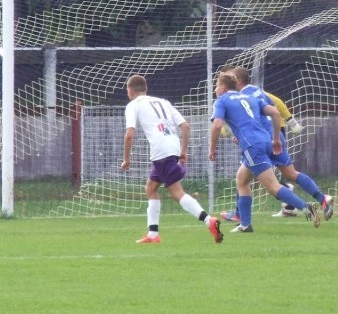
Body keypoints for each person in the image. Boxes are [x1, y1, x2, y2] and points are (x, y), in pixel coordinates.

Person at [209, 73, 320, 232]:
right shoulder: (248, 97)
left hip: (252, 146)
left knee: (273, 187)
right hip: (266, 140)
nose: (215, 89)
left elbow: (217, 125)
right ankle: (245, 225)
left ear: (223, 88)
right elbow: (275, 112)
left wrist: (212, 148)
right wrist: (276, 138)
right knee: (241, 180)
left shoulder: (221, 101)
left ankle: (306, 208)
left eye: (216, 85)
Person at [121, 74, 223, 244]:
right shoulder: (163, 102)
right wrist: (183, 151)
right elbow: (185, 126)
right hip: (172, 146)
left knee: (176, 192)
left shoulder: (133, 105)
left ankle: (208, 220)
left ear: (130, 91)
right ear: (146, 89)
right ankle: (153, 234)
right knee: (151, 188)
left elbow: (129, 134)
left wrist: (126, 159)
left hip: (161, 150)